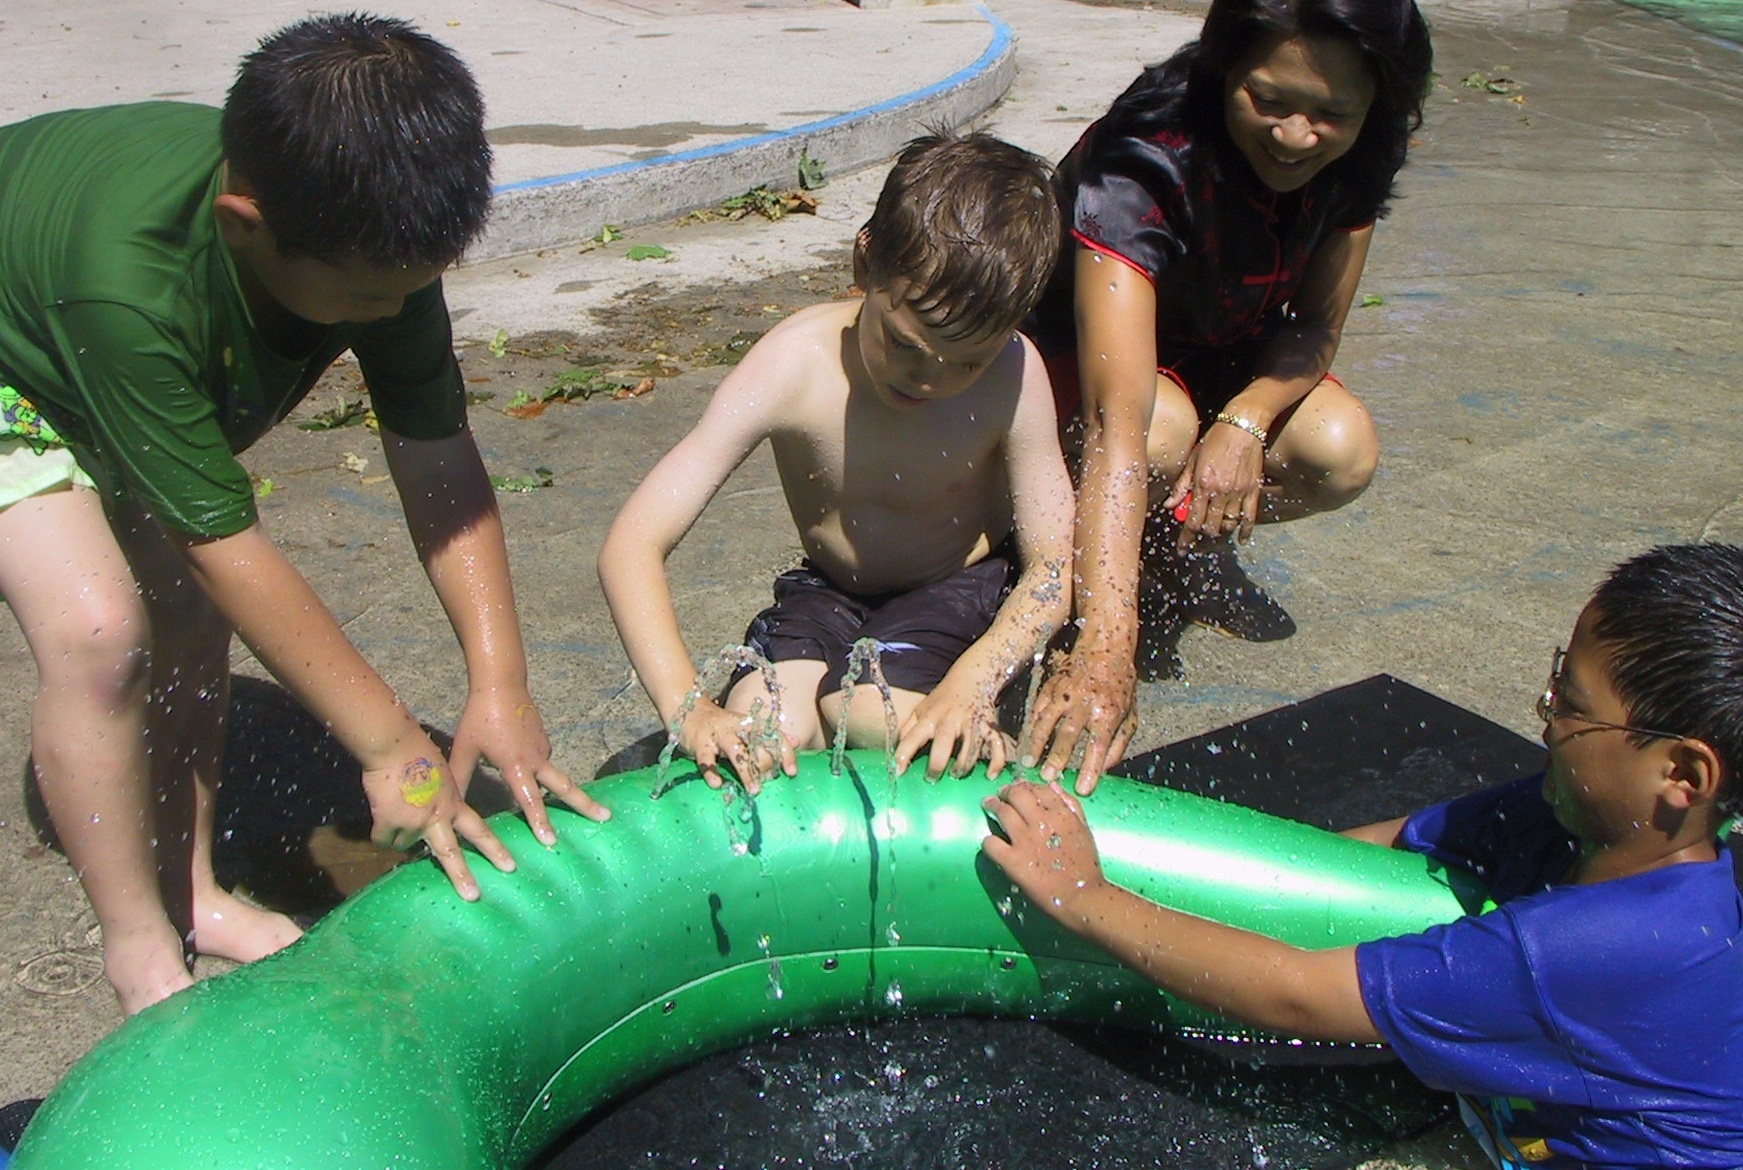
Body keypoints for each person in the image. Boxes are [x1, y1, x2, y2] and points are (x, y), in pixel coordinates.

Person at [0, 14, 607, 1014]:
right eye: (365, 300)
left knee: (190, 617)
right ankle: (140, 946)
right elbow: (220, 540)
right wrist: (389, 744)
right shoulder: (132, 286)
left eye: (408, 293)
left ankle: (190, 891)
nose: (388, 315)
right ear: (244, 226)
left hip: (93, 333)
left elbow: (436, 459)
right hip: (20, 344)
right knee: (101, 633)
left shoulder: (374, 240)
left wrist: (498, 682)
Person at [984, 542, 1743, 1169]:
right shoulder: (1567, 820)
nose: (1544, 715)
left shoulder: (1614, 945)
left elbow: (1297, 996)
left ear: (1682, 774)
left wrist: (1085, 897)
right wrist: (1224, 895)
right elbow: (1373, 850)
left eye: (1572, 705)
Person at [1022, 0, 1434, 791]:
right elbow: (1117, 422)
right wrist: (1106, 644)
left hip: (1218, 346)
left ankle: (1159, 538)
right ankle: (1092, 565)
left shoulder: (1365, 144)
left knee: (1338, 453)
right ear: (1223, 71)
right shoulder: (1146, 154)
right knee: (1158, 438)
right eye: (1268, 100)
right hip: (1085, 357)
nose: (1295, 136)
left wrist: (1246, 420)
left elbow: (1314, 326)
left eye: (1330, 115)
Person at [599, 133, 1075, 790]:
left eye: (966, 362)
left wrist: (975, 680)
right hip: (827, 589)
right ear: (865, 262)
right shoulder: (793, 364)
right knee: (763, 732)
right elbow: (632, 544)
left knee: (872, 715)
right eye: (904, 344)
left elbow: (1053, 566)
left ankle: (994, 756)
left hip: (956, 590)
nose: (929, 379)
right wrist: (690, 710)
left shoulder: (1013, 376)